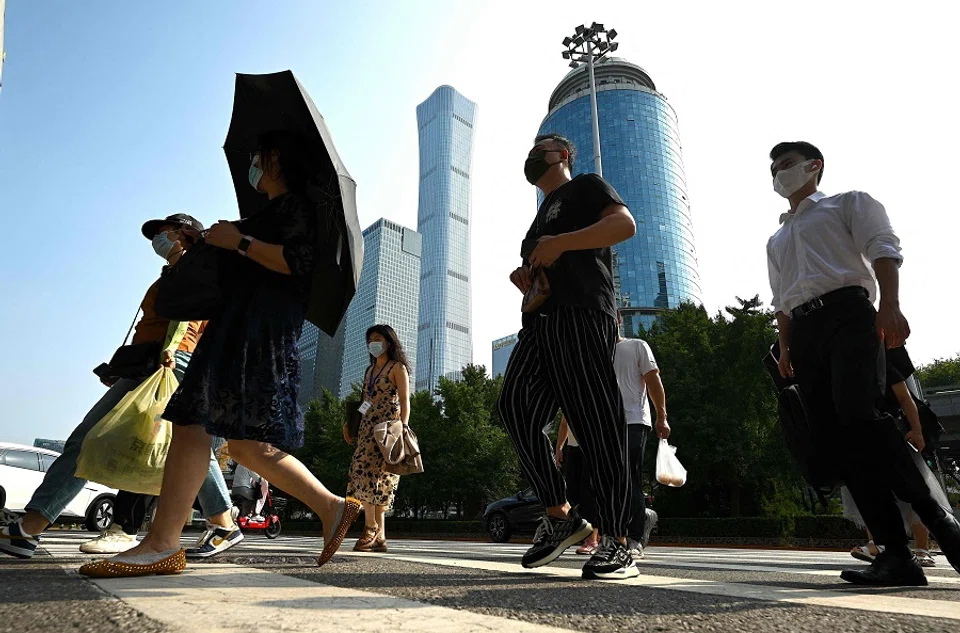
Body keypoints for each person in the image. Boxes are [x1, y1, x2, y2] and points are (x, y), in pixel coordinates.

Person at [78, 130, 360, 579]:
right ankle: (332, 506)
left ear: (273, 159)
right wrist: (218, 241)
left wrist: (240, 242)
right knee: (245, 444)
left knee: (193, 424)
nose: (252, 165)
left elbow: (298, 263)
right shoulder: (270, 212)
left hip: (252, 334)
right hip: (243, 328)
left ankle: (161, 544)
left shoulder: (296, 208)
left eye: (256, 156)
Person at [766, 141, 960, 586]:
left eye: (787, 165)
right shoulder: (776, 238)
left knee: (862, 418)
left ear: (815, 167)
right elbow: (781, 300)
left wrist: (889, 305)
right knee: (837, 438)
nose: (779, 174)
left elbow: (882, 249)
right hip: (804, 331)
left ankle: (944, 527)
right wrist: (786, 348)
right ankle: (895, 555)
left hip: (851, 314)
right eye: (774, 169)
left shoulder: (848, 203)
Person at [0, 215, 241, 560]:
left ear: (185, 232)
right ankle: (223, 523)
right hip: (156, 361)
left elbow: (188, 313)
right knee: (183, 445)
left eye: (163, 232)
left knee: (96, 438)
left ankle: (29, 528)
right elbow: (152, 323)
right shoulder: (174, 269)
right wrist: (123, 366)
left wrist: (170, 350)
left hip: (172, 361)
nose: (157, 240)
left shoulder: (195, 264)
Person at [497, 133, 639, 580]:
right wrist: (529, 280)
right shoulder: (536, 220)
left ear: (562, 155)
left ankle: (620, 541)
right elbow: (544, 273)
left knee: (598, 423)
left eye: (540, 148)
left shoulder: (587, 187)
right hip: (541, 324)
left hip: (584, 314)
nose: (531, 154)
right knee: (514, 406)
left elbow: (624, 226)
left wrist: (562, 244)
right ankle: (560, 514)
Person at [846, 345, 937, 568]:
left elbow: (906, 400)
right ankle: (878, 543)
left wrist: (916, 430)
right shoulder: (842, 369)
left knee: (913, 492)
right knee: (870, 492)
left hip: (895, 433)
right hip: (864, 436)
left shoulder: (882, 363)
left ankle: (922, 547)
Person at [344, 325, 412, 553]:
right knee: (361, 472)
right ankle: (377, 532)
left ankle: (372, 529)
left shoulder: (397, 367)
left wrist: (402, 428)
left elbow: (404, 401)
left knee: (380, 478)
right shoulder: (369, 371)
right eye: (370, 339)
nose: (373, 343)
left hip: (387, 429)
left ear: (389, 342)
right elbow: (365, 401)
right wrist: (351, 423)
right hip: (366, 429)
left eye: (378, 338)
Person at [613, 312, 670, 559]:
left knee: (629, 477)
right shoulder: (595, 354)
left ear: (617, 320)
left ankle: (634, 537)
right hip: (607, 425)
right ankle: (619, 533)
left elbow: (653, 380)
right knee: (611, 480)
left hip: (635, 420)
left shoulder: (637, 346)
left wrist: (662, 416)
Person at [554, 415, 599, 555]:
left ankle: (593, 539)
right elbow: (563, 423)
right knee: (572, 494)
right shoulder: (569, 396)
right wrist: (559, 447)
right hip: (573, 448)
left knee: (589, 492)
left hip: (593, 447)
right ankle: (582, 533)